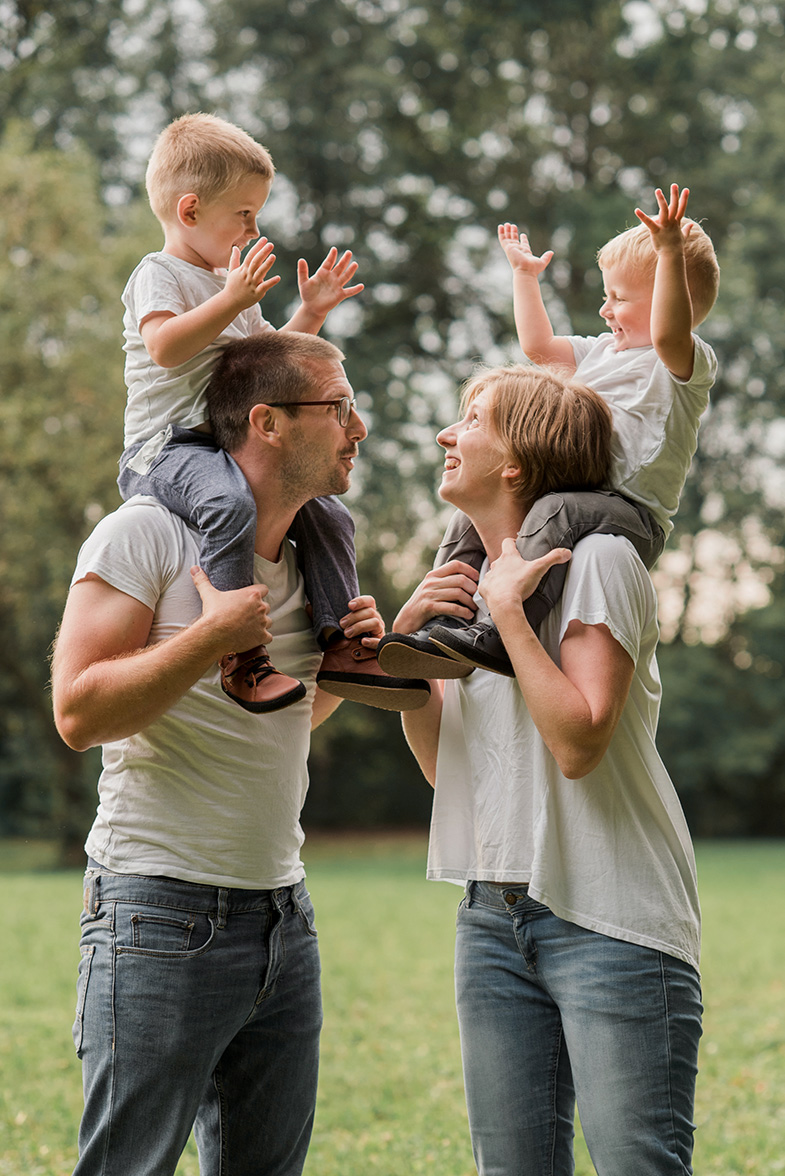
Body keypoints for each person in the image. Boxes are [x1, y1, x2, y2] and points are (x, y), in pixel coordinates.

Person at [51, 331, 429, 1176]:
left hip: (283, 918)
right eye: (337, 408)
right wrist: (205, 640)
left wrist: (360, 653)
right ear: (267, 422)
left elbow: (287, 722)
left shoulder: (314, 556)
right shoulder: (143, 535)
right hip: (156, 913)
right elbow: (76, 712)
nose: (357, 428)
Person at [394, 363, 703, 1175]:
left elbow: (578, 743)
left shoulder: (598, 561)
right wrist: (409, 657)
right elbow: (445, 772)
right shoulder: (467, 590)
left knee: (638, 1163)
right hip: (491, 918)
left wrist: (509, 619)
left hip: (612, 918)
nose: (445, 435)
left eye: (470, 419)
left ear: (519, 463)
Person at [119, 111, 409, 713]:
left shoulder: (233, 283)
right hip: (164, 448)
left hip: (222, 444)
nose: (254, 228)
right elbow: (165, 347)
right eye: (244, 214)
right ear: (191, 210)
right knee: (229, 502)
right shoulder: (160, 274)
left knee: (328, 512)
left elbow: (266, 366)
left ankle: (339, 640)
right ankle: (241, 655)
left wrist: (313, 313)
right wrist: (230, 299)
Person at [378, 184, 719, 681]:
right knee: (471, 518)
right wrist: (524, 278)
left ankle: (499, 632)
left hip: (631, 512)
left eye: (619, 299)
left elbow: (668, 331)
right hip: (577, 490)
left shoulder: (684, 362)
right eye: (605, 296)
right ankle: (440, 620)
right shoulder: (603, 350)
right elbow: (538, 347)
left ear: (672, 302)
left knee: (553, 511)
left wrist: (669, 252)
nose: (605, 310)